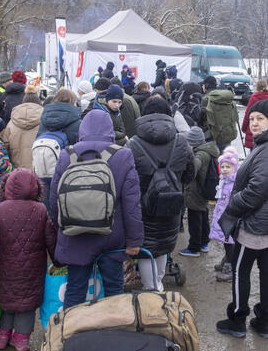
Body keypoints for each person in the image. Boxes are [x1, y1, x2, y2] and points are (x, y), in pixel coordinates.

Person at [215, 100, 268, 339]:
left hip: (255, 226)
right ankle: (264, 322)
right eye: (251, 119)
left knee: (241, 270)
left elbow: (256, 190)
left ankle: (238, 319)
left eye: (260, 118)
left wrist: (233, 204)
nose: (254, 123)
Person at [50, 110, 144, 308]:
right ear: (110, 129)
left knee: (75, 289)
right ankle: (113, 331)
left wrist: (60, 231)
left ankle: (71, 334)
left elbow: (54, 200)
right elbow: (132, 204)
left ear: (82, 128)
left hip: (74, 234)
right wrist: (134, 240)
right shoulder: (123, 155)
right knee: (114, 289)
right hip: (112, 235)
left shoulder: (67, 154)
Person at [0, 168, 56, 351]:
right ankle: (21, 339)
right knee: (27, 303)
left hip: (6, 268)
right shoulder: (41, 209)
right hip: (33, 270)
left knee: (7, 301)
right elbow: (51, 239)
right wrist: (59, 260)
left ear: (7, 187)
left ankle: (2, 335)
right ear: (36, 188)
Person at [126, 97, 195, 290]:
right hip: (171, 202)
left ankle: (151, 288)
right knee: (164, 244)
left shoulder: (133, 144)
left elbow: (126, 178)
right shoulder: (181, 142)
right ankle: (159, 284)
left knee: (146, 247)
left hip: (142, 207)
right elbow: (191, 173)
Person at [179, 126, 219, 257]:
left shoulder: (200, 154)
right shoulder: (209, 150)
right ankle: (204, 243)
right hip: (205, 190)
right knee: (203, 215)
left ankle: (194, 247)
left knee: (194, 219)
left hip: (196, 192)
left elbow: (193, 169)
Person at [209, 146, 240, 282]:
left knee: (230, 241)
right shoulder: (224, 181)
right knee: (226, 241)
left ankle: (230, 267)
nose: (225, 169)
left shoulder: (233, 184)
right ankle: (227, 259)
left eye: (228, 167)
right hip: (223, 216)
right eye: (223, 167)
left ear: (234, 168)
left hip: (229, 218)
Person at [0, 85, 43, 169]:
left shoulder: (11, 123)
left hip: (17, 171)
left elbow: (4, 147)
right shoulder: (44, 122)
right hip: (39, 170)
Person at [201, 75, 239, 152]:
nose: (202, 87)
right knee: (225, 160)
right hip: (226, 136)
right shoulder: (225, 98)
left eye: (203, 85)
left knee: (214, 162)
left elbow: (202, 119)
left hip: (212, 137)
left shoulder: (206, 99)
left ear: (206, 86)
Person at [242, 81, 268, 150]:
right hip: (267, 129)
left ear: (257, 87)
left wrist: (244, 128)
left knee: (253, 154)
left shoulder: (254, 97)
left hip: (254, 130)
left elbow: (248, 114)